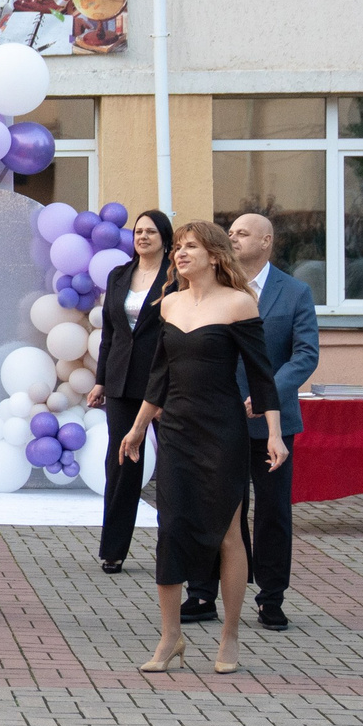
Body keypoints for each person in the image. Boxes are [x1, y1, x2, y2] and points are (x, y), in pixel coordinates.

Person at [116, 221, 283, 677]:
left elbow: (262, 374)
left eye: (190, 247)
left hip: (223, 429)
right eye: (179, 248)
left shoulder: (239, 303)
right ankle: (171, 637)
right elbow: (159, 377)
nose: (180, 254)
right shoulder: (168, 303)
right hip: (176, 431)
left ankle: (229, 636)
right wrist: (136, 429)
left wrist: (274, 433)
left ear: (214, 255)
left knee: (228, 533)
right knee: (170, 527)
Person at [184, 211, 317, 631]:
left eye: (243, 233)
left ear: (266, 241)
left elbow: (305, 355)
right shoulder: (213, 288)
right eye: (231, 233)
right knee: (216, 506)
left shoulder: (295, 293)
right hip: (218, 416)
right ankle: (203, 592)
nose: (234, 239)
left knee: (273, 510)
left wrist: (266, 393)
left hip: (273, 423)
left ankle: (271, 596)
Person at [90, 210, 172, 574]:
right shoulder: (119, 274)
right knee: (122, 464)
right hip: (122, 382)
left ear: (164, 237)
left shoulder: (177, 277)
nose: (142, 237)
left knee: (172, 467)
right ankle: (113, 549)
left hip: (166, 381)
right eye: (138, 231)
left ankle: (172, 549)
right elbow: (111, 333)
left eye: (151, 231)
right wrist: (101, 380)